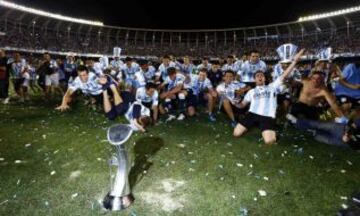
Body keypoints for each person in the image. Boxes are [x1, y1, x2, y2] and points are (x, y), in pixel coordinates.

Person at [233, 49, 305, 145]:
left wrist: (295, 61)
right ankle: (254, 126)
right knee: (236, 134)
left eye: (261, 75)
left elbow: (285, 74)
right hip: (252, 114)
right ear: (254, 79)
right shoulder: (251, 91)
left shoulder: (272, 86)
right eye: (257, 76)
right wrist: (236, 101)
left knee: (269, 142)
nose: (259, 77)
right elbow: (242, 105)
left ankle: (273, 132)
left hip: (267, 116)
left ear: (264, 78)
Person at [287, 114, 360, 150]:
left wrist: (348, 141)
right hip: (341, 129)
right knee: (319, 125)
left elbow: (356, 147)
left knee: (319, 137)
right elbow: (353, 124)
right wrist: (347, 133)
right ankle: (297, 121)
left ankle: (310, 131)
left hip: (343, 142)